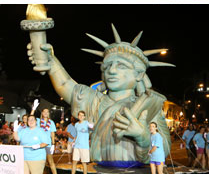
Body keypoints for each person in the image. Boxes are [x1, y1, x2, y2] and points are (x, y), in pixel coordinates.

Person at [27, 24, 173, 165]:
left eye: (121, 65)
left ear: (139, 74)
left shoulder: (149, 105)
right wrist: (50, 61)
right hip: (99, 168)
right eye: (107, 65)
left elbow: (165, 148)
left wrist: (143, 138)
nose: (112, 70)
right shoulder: (93, 100)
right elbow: (65, 84)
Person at [31, 107, 57, 174]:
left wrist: (53, 144)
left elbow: (52, 134)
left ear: (48, 113)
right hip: (39, 145)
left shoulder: (51, 122)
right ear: (42, 113)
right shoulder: (38, 120)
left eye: (47, 112)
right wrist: (33, 109)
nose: (45, 113)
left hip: (48, 144)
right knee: (40, 162)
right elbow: (31, 118)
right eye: (44, 111)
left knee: (51, 162)